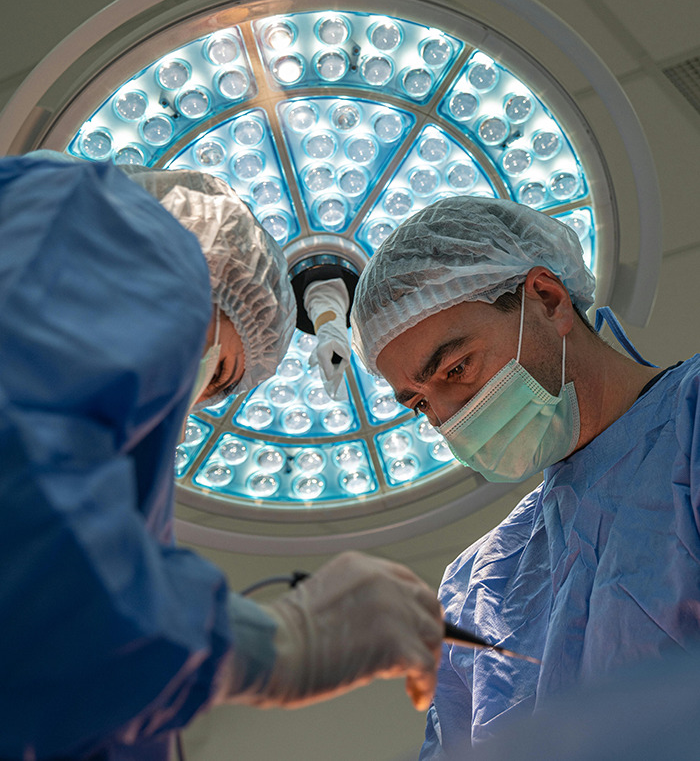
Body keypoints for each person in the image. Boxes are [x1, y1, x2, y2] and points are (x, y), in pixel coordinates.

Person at [0, 153, 443, 761]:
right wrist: (277, 644)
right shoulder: (126, 236)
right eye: (221, 374)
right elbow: (36, 565)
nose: (184, 411)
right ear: (208, 272)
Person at [350, 195, 700, 758]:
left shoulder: (691, 421)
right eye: (419, 403)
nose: (446, 417)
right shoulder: (478, 587)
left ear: (547, 298)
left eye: (456, 369)